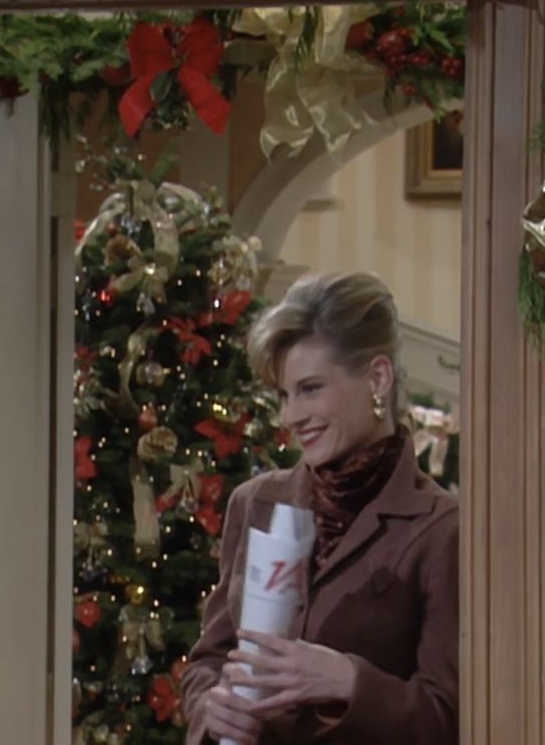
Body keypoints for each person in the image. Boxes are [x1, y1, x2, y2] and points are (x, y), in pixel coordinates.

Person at [181, 272, 458, 745]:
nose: (291, 417)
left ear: (377, 378)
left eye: (310, 389)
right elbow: (209, 660)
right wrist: (210, 706)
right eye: (285, 396)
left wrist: (347, 681)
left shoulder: (442, 528)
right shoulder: (254, 505)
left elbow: (446, 717)